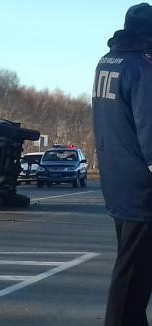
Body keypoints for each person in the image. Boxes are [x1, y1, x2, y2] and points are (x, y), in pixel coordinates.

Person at [93, 3, 152, 325]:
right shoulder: (143, 68)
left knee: (133, 265)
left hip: (117, 176)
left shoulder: (108, 61)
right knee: (133, 274)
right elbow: (150, 127)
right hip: (141, 184)